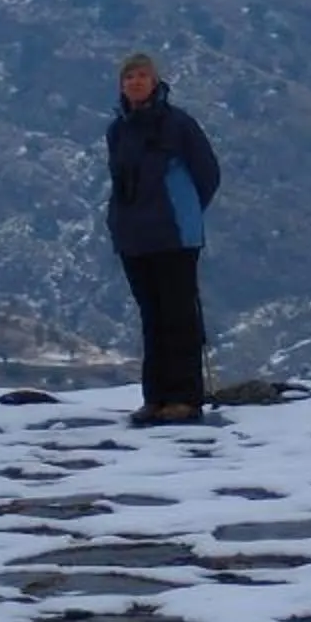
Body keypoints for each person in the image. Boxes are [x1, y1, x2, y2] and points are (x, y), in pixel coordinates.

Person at [105, 49, 221, 426]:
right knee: (151, 317)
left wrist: (185, 212)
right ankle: (155, 397)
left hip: (174, 236)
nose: (134, 82)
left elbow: (208, 173)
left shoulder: (178, 125)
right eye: (128, 77)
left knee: (179, 316)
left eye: (141, 76)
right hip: (135, 238)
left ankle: (185, 397)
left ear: (155, 82)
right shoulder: (118, 130)